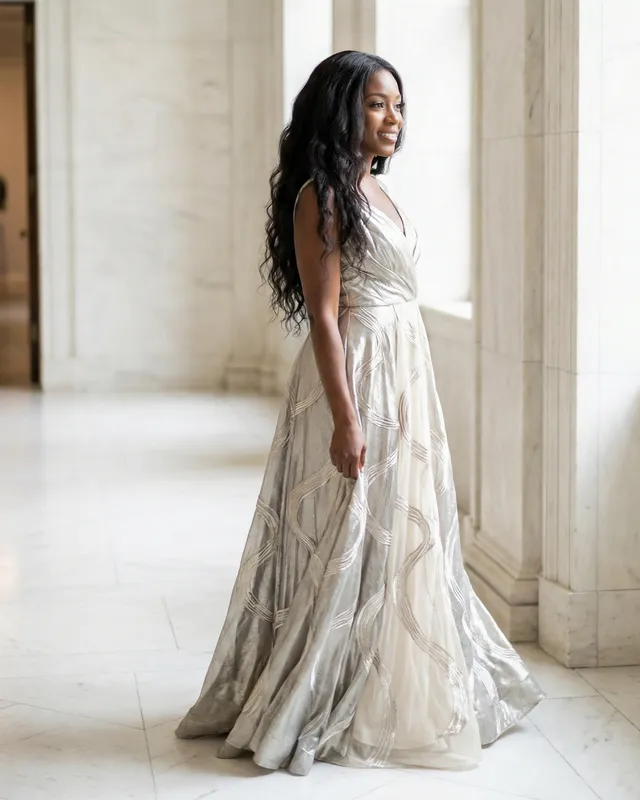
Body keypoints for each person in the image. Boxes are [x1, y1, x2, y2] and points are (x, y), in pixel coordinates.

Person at [175, 50, 544, 776]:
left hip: (406, 369)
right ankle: (328, 681)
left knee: (403, 524)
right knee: (352, 524)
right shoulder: (325, 195)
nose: (393, 120)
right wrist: (346, 420)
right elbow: (322, 314)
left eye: (399, 107)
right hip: (359, 374)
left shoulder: (379, 192)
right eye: (377, 105)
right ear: (342, 108)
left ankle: (392, 673)